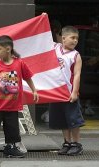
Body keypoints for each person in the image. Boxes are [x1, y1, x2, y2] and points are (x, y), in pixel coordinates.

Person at [49, 26, 85, 156]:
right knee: (63, 120)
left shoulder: (76, 55)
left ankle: (76, 144)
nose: (75, 41)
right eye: (72, 38)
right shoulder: (55, 48)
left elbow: (76, 75)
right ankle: (67, 143)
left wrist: (75, 92)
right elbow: (43, 37)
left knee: (73, 120)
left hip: (69, 92)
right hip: (57, 92)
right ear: (63, 38)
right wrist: (43, 17)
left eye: (77, 39)